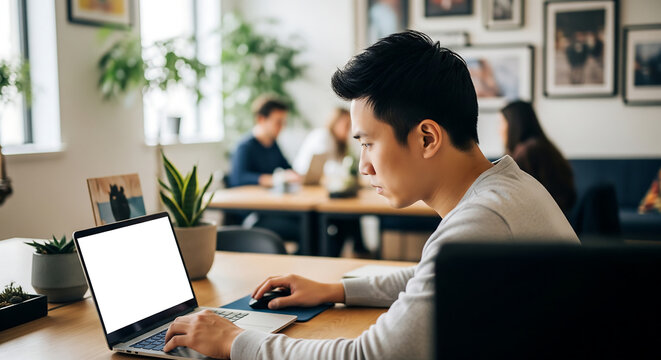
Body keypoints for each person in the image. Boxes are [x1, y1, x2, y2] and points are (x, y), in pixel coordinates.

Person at [163, 30, 579, 359]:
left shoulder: (483, 221)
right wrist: (337, 290)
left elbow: (372, 355)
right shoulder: (507, 187)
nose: (364, 165)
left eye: (368, 143)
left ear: (428, 137)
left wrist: (235, 342)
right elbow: (431, 277)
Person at [293, 108, 369, 256]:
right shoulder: (323, 136)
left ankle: (353, 251)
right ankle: (355, 250)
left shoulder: (337, 142)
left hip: (318, 188)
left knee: (349, 214)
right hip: (306, 188)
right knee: (343, 218)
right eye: (346, 124)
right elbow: (332, 171)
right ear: (335, 122)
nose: (348, 129)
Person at [227, 96, 302, 243]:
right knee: (305, 228)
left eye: (283, 122)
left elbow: (287, 167)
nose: (281, 127)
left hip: (272, 209)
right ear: (261, 119)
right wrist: (274, 179)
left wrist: (295, 175)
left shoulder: (272, 144)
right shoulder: (245, 147)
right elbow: (238, 179)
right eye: (278, 122)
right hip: (254, 215)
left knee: (312, 223)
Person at [499, 100, 577, 214]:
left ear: (513, 124)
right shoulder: (543, 145)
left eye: (501, 122)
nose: (498, 129)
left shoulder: (528, 152)